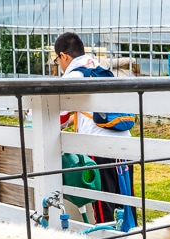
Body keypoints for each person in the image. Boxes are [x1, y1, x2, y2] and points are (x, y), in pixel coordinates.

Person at [54, 32, 137, 226]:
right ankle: (130, 238)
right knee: (126, 201)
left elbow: (57, 116)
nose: (59, 65)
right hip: (125, 144)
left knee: (104, 206)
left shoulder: (74, 76)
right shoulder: (100, 69)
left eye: (57, 59)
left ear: (64, 56)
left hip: (100, 149)